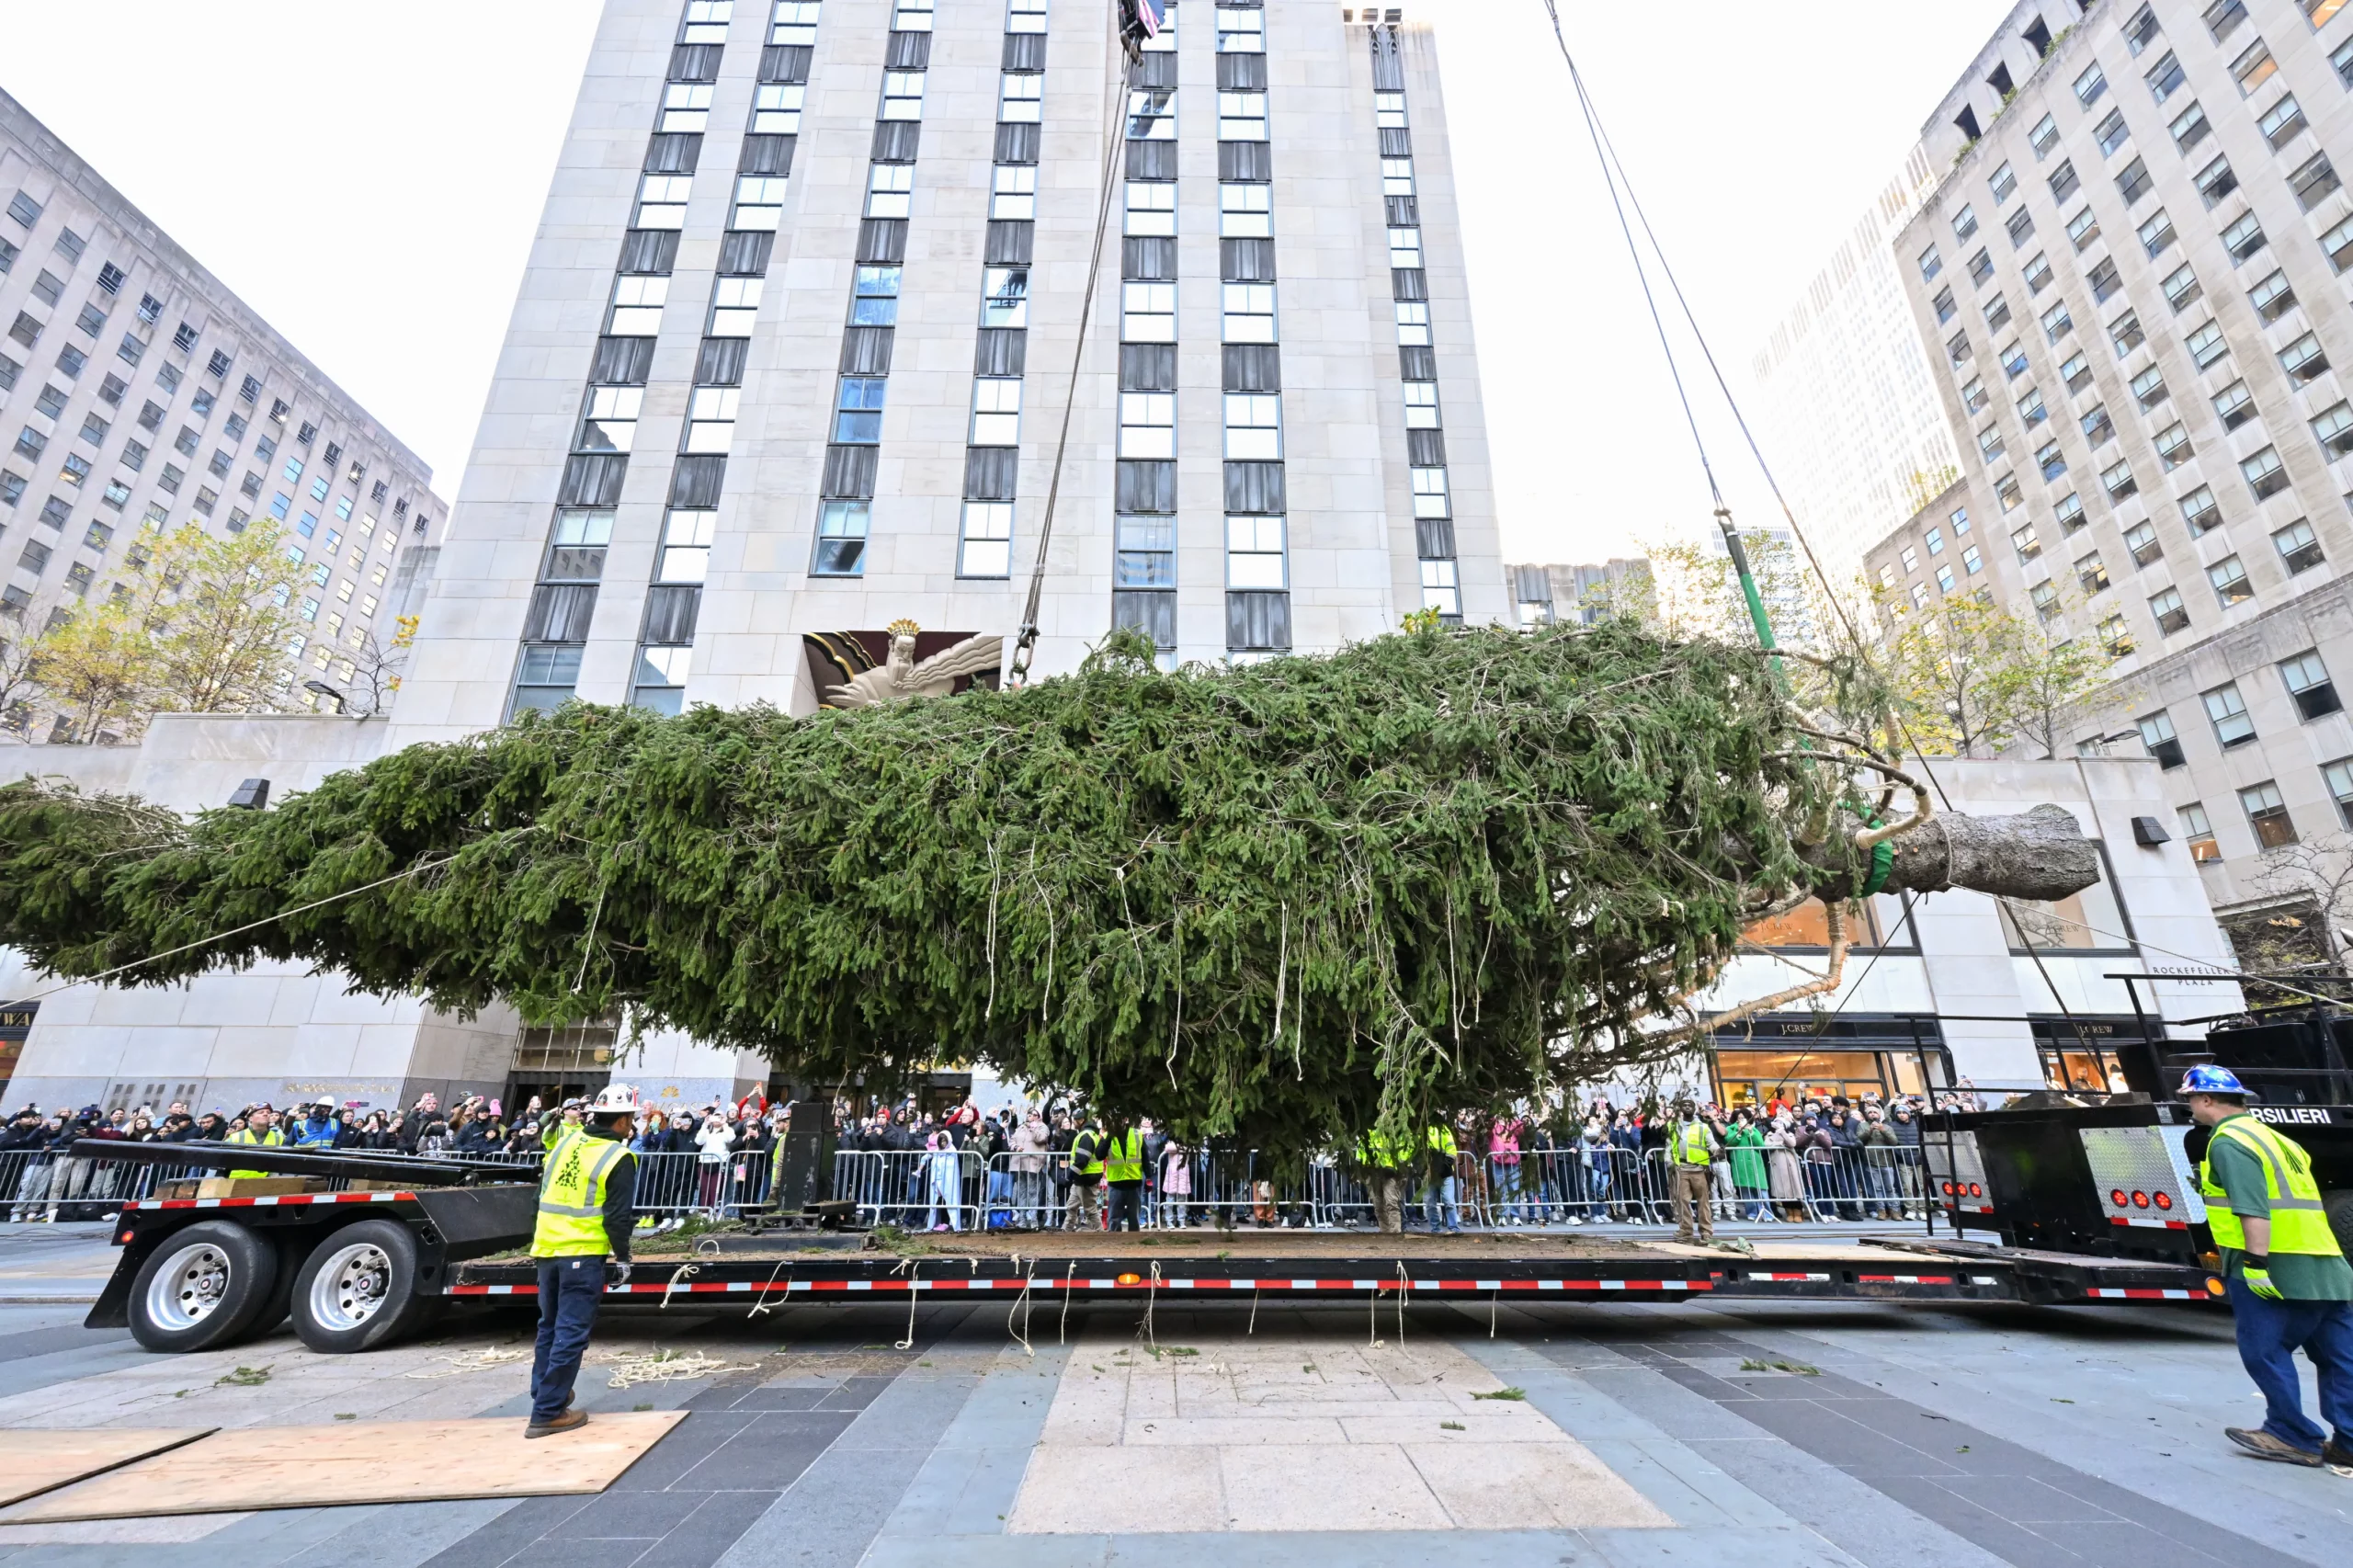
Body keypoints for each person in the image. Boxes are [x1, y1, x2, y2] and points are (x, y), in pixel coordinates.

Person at [2180, 1065, 2352, 1468]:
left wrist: (2256, 1263)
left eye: (2190, 1098)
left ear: (2206, 1100)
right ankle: (2348, 1440)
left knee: (2264, 1350)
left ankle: (2291, 1435)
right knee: (2339, 1356)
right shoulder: (2278, 1139)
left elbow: (2252, 1210)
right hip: (2326, 1262)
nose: (2189, 1105)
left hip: (2276, 1263)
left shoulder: (2228, 1142)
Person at [526, 1082, 640, 1439]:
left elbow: (540, 1197)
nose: (632, 1126)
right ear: (621, 1121)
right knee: (571, 1333)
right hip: (583, 1253)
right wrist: (623, 1256)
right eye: (630, 1120)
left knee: (549, 1326)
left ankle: (545, 1394)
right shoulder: (618, 1157)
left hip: (547, 1249)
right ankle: (547, 1412)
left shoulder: (564, 1143)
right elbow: (617, 1217)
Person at [1665, 1098, 1720, 1244]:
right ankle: (1686, 1230)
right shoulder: (1673, 1126)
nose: (1687, 1107)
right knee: (1682, 1201)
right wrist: (1669, 1162)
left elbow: (1711, 1144)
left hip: (1699, 1169)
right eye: (1684, 1105)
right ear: (1681, 1109)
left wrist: (1718, 1150)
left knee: (1703, 1201)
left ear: (1695, 1109)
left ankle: (1706, 1231)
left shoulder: (1703, 1127)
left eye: (1690, 1105)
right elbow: (1668, 1146)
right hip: (1680, 1168)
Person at [1100, 1115, 1147, 1232]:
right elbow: (1099, 1155)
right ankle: (1115, 1245)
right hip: (1116, 1183)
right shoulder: (1107, 1136)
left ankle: (1135, 1245)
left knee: (1134, 1218)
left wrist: (1149, 1177)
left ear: (1125, 1119)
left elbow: (1145, 1157)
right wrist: (1109, 1138)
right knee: (1114, 1219)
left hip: (1134, 1182)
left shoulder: (1137, 1134)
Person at [1063, 1114, 1105, 1231]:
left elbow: (1081, 1160)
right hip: (1082, 1179)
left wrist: (1069, 1177)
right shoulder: (1091, 1135)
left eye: (1074, 1121)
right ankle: (1065, 1232)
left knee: (1090, 1211)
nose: (1073, 1123)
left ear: (1081, 1120)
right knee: (1071, 1208)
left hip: (1085, 1178)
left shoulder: (1086, 1136)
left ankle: (1100, 1234)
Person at [225, 1105, 284, 1177]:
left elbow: (275, 1163)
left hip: (261, 1183)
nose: (266, 1114)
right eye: (261, 1112)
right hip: (235, 1181)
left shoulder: (279, 1138)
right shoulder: (236, 1136)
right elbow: (221, 1162)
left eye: (268, 1112)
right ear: (251, 1118)